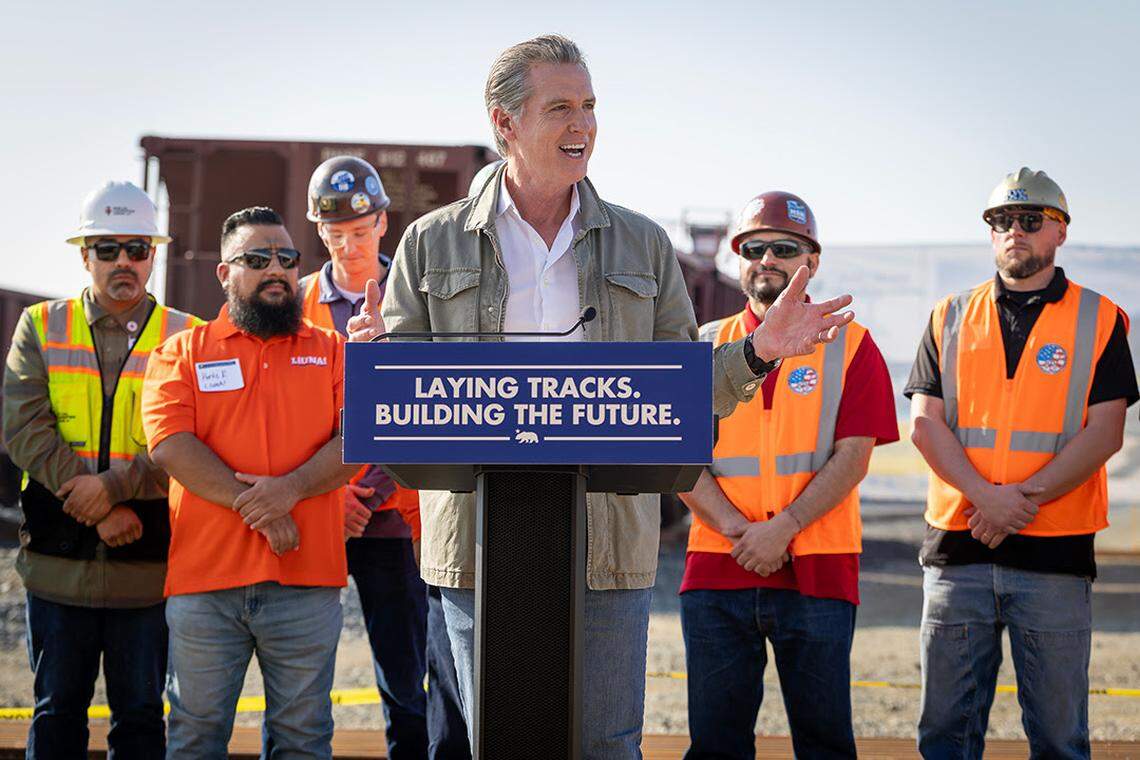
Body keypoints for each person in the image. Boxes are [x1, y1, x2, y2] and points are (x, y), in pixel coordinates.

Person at [347, 35, 855, 757]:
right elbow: (407, 401)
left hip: (606, 546)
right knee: (494, 743)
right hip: (475, 548)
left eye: (589, 106)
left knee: (606, 747)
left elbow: (682, 393)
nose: (582, 123)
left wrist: (758, 351)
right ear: (505, 123)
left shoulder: (641, 246)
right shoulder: (432, 244)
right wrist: (378, 368)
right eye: (560, 107)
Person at [905, 168, 1137, 759]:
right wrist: (988, 498)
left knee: (1060, 740)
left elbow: (1105, 432)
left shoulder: (1099, 317)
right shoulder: (949, 316)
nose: (1014, 231)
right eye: (1001, 221)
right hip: (959, 550)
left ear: (1059, 233)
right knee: (944, 739)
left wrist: (1016, 502)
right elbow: (925, 425)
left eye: (1030, 220)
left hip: (1054, 555)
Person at [679, 192, 899, 759]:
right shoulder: (702, 344)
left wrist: (783, 529)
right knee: (715, 747)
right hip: (718, 569)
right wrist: (738, 531)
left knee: (824, 744)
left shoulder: (852, 345)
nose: (767, 258)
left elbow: (854, 456)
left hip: (819, 572)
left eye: (784, 247)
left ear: (813, 260)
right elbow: (676, 460)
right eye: (754, 248)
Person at [141, 206, 359, 757]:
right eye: (257, 259)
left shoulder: (332, 350)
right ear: (224, 273)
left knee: (303, 739)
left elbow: (362, 438)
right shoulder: (182, 352)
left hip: (306, 583)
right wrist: (259, 505)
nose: (277, 270)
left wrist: (287, 490)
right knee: (195, 736)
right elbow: (170, 444)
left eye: (287, 259)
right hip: (205, 584)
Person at [2, 181, 199, 758]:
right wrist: (101, 508)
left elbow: (191, 441)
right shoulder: (40, 327)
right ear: (84, 254)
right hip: (57, 570)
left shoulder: (187, 337)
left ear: (154, 254)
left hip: (148, 574)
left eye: (137, 248)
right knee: (56, 715)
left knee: (139, 721)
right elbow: (24, 429)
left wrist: (112, 490)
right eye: (108, 248)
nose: (124, 262)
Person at [302, 155, 466, 759]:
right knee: (302, 677)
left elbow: (436, 400)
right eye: (336, 232)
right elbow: (290, 413)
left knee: (408, 681)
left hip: (397, 520)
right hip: (318, 514)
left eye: (360, 230)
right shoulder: (295, 307)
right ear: (319, 231)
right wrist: (328, 490)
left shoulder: (416, 299)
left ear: (382, 223)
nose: (349, 244)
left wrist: (375, 493)